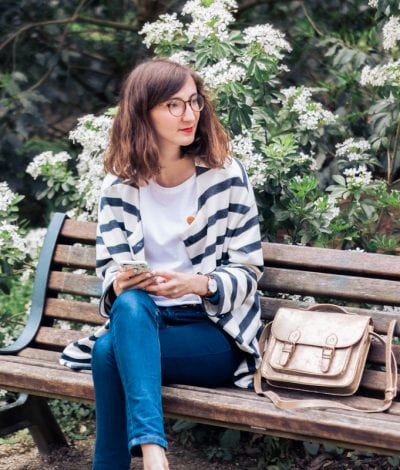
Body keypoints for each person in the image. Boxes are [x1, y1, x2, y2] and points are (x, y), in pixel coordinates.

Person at [92, 58, 264, 470]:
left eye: (194, 101)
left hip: (210, 330)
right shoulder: (118, 186)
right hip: (142, 321)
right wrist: (120, 283)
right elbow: (108, 275)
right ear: (143, 113)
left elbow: (249, 270)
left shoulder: (225, 175)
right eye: (174, 105)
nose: (189, 115)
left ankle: (149, 453)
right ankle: (154, 454)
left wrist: (196, 284)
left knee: (106, 353)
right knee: (128, 305)